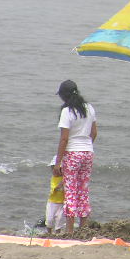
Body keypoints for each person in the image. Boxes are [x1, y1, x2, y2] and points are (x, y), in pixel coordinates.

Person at [53, 80, 97, 235]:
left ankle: (70, 230)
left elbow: (64, 139)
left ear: (64, 95)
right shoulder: (89, 108)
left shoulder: (67, 111)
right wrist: (86, 145)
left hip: (72, 153)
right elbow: (94, 133)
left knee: (70, 190)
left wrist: (58, 162)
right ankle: (84, 227)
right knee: (83, 190)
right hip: (88, 153)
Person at [45, 155, 66, 234]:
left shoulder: (65, 178)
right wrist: (62, 183)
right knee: (49, 219)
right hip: (52, 202)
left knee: (59, 220)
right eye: (53, 168)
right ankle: (48, 233)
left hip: (61, 202)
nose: (54, 171)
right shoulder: (54, 179)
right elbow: (55, 188)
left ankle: (57, 233)